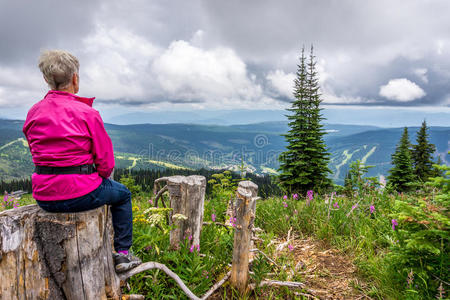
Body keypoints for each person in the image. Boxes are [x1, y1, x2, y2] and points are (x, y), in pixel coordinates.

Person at [22, 50, 141, 273]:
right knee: (123, 194)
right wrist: (96, 177)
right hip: (83, 192)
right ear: (75, 78)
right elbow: (106, 163)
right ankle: (123, 254)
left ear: (46, 80)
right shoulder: (87, 113)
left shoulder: (33, 113)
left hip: (44, 196)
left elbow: (34, 148)